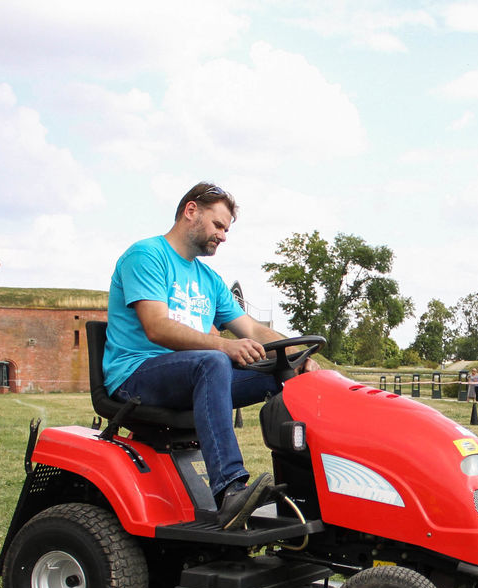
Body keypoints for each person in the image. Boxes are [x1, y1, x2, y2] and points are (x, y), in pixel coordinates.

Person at [103, 182, 317, 530]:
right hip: (137, 374)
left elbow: (253, 329)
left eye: (227, 229)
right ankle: (230, 490)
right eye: (218, 225)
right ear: (191, 211)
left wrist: (297, 355)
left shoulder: (208, 279)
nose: (223, 236)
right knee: (214, 360)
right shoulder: (146, 256)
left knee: (282, 372)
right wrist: (224, 346)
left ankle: (307, 494)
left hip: (195, 373)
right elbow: (156, 327)